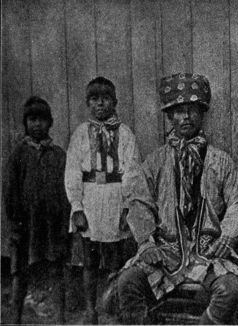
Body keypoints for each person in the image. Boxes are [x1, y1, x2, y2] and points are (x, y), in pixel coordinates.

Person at [116, 72, 238, 324]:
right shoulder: (155, 161)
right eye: (179, 111)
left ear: (202, 114)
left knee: (230, 290)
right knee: (128, 282)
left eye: (192, 110)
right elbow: (139, 203)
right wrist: (146, 243)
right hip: (166, 251)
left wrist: (227, 236)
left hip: (208, 252)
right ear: (169, 116)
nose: (186, 117)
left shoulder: (220, 161)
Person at [65, 76, 140, 324]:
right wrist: (77, 206)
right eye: (95, 99)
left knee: (116, 257)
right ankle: (90, 310)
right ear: (88, 103)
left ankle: (114, 307)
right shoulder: (80, 134)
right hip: (90, 199)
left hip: (115, 197)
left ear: (115, 102)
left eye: (106, 99)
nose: (100, 104)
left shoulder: (125, 133)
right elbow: (73, 171)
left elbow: (132, 170)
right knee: (90, 259)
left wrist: (127, 206)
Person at [5, 96, 70, 324]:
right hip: (25, 224)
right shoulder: (18, 154)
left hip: (52, 226)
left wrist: (65, 226)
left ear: (50, 123)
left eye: (42, 120)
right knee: (19, 272)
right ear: (25, 123)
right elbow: (11, 192)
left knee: (56, 269)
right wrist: (13, 224)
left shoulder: (59, 155)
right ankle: (15, 318)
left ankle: (60, 317)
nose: (37, 125)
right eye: (32, 119)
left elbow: (66, 193)